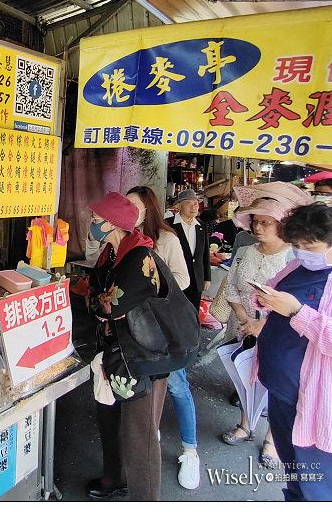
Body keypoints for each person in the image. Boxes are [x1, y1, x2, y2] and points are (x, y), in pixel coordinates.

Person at [253, 204, 332, 501]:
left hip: (327, 405)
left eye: (310, 245)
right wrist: (264, 298)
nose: (301, 252)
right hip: (284, 392)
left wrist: (298, 313)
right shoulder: (302, 264)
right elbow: (278, 288)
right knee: (297, 478)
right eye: (296, 245)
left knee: (327, 491)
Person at [84, 192, 167, 502]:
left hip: (140, 356)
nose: (92, 224)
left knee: (139, 434)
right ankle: (113, 477)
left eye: (96, 219)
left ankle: (146, 499)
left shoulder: (139, 256)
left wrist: (94, 301)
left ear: (113, 223)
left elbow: (110, 305)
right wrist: (96, 299)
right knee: (108, 417)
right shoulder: (110, 253)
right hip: (113, 351)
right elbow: (97, 292)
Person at [219, 195, 306, 469]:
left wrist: (261, 325)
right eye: (256, 222)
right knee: (246, 377)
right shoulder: (246, 250)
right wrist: (245, 319)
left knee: (277, 386)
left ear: (281, 224)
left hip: (278, 332)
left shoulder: (295, 257)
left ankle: (273, 440)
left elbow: (297, 303)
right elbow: (231, 285)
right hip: (242, 324)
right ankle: (245, 425)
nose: (258, 227)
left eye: (266, 222)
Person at [126, 186, 199, 490]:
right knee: (143, 386)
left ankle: (190, 450)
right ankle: (149, 433)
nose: (129, 211)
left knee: (178, 387)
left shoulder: (166, 239)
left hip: (164, 326)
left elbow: (183, 279)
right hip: (135, 326)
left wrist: (153, 286)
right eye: (125, 205)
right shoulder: (124, 235)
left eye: (134, 206)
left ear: (149, 209)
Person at [166, 189, 210, 308]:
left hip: (196, 278)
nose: (193, 207)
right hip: (176, 277)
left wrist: (207, 278)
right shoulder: (168, 225)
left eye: (195, 204)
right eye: (188, 204)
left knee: (193, 311)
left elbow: (205, 253)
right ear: (179, 206)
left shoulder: (201, 226)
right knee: (175, 310)